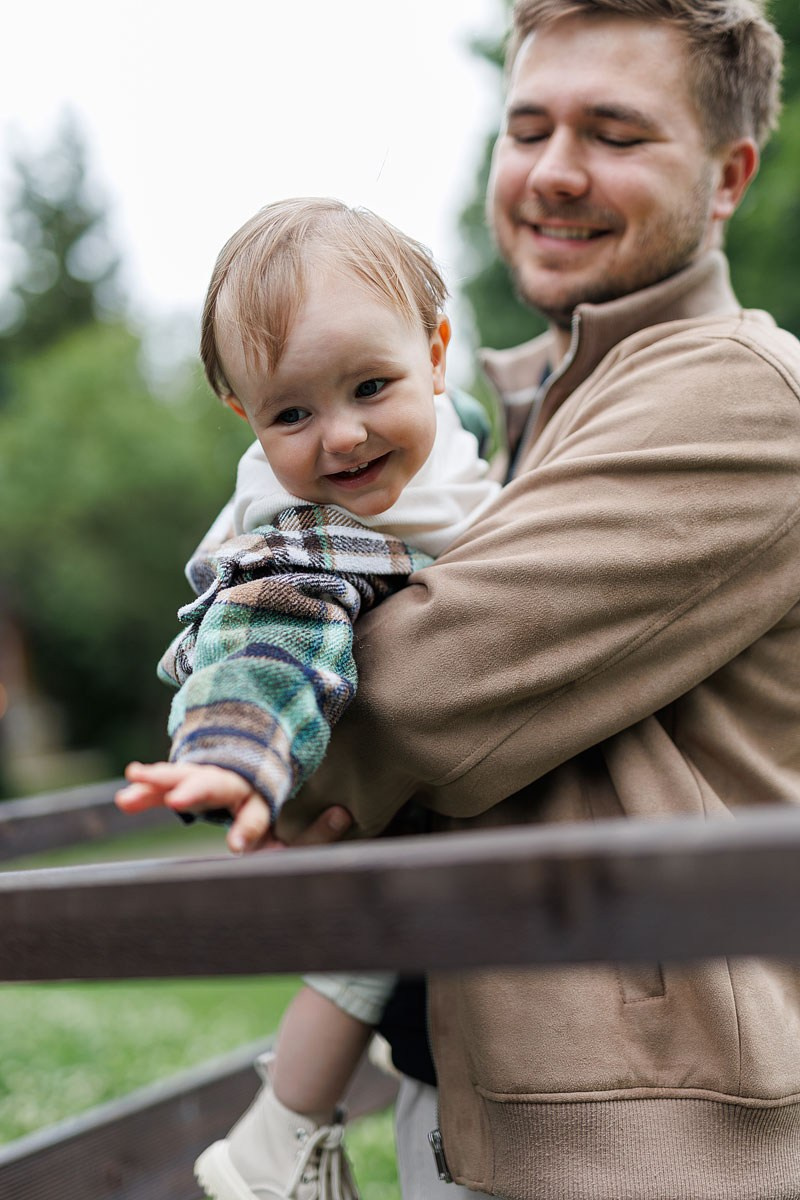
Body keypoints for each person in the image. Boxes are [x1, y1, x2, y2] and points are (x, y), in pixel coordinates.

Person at [145, 2, 800, 1198]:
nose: (553, 171)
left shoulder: (740, 395)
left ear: (725, 176)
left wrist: (258, 740)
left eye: (613, 131)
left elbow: (418, 702)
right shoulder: (514, 410)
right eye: (527, 126)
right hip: (493, 1091)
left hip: (651, 1139)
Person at [115, 197, 500, 1200]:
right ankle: (279, 1136)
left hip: (451, 852)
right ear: (245, 417)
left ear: (435, 353)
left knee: (371, 933)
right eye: (291, 412)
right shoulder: (308, 539)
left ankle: (279, 1133)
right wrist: (232, 752)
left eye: (370, 385)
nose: (341, 437)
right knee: (366, 930)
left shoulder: (448, 457)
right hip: (392, 827)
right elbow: (267, 638)